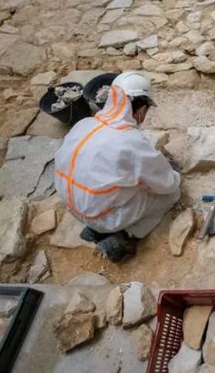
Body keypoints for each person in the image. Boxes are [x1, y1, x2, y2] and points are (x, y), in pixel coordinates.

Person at [54, 72, 181, 262]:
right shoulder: (130, 141)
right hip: (102, 217)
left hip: (73, 208)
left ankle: (94, 229)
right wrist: (174, 174)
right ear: (140, 109)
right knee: (172, 194)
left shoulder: (84, 124)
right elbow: (167, 184)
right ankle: (124, 236)